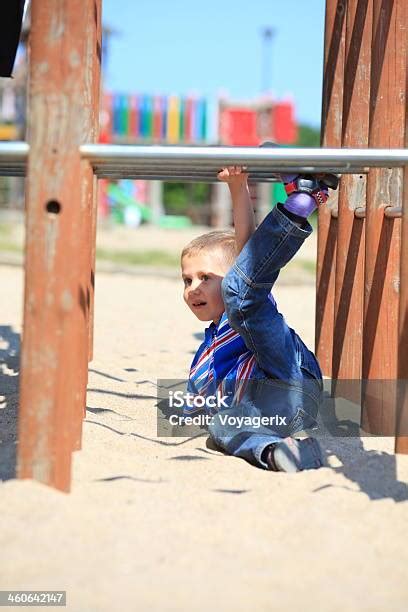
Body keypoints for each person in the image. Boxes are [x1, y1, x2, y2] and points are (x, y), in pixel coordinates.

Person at [180, 162, 338, 472]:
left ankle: (299, 204)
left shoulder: (245, 307)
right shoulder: (204, 358)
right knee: (221, 425)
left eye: (205, 277)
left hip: (288, 371)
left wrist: (239, 189)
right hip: (279, 413)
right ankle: (278, 452)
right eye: (187, 281)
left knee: (241, 297)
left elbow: (247, 253)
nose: (193, 289)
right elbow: (193, 407)